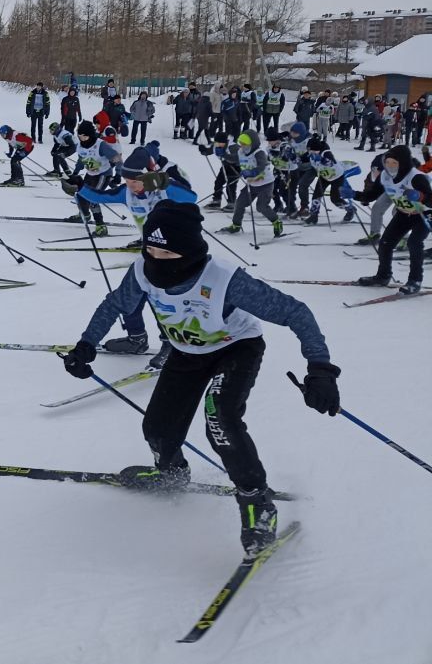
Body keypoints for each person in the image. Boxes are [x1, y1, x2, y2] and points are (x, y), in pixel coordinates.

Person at [61, 200, 340, 557]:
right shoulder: (143, 270)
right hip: (187, 353)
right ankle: (171, 473)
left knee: (219, 420)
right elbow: (115, 304)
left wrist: (320, 368)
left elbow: (295, 313)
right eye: (149, 248)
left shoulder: (225, 279)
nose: (155, 258)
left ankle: (257, 502)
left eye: (165, 252)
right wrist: (86, 345)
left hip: (235, 350)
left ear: (188, 251)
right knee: (158, 429)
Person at [75, 144, 197, 363]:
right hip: (148, 254)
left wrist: (163, 181)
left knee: (163, 301)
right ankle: (137, 338)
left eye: (134, 181)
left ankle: (172, 345)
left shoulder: (165, 189)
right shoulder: (127, 193)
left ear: (148, 177)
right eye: (127, 181)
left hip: (173, 258)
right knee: (127, 297)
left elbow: (191, 196)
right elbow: (102, 197)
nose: (129, 186)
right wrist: (80, 187)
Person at [353, 144, 430, 295]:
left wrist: (420, 196)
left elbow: (430, 198)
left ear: (403, 163)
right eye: (387, 162)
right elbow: (372, 195)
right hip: (404, 213)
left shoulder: (416, 177)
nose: (390, 166)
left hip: (424, 214)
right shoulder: (385, 176)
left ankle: (415, 280)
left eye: (394, 163)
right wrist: (354, 195)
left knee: (414, 243)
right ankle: (383, 276)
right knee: (386, 243)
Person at [217, 131, 284, 238]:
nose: (243, 146)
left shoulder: (259, 152)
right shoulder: (241, 152)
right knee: (240, 203)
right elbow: (234, 159)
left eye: (245, 144)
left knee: (261, 206)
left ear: (252, 143)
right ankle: (236, 225)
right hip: (252, 184)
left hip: (265, 184)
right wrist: (223, 155)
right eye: (241, 144)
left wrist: (252, 172)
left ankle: (276, 222)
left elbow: (261, 166)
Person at [61, 120, 119, 237]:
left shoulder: (100, 145)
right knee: (80, 194)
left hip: (103, 174)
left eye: (84, 136)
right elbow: (82, 160)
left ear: (90, 135)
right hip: (90, 174)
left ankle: (101, 226)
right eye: (80, 136)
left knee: (93, 198)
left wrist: (118, 174)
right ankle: (85, 215)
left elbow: (116, 157)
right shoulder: (80, 146)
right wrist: (75, 172)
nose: (81, 138)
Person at [301, 138, 361, 225]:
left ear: (318, 149)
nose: (311, 153)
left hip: (337, 177)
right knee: (316, 196)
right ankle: (314, 216)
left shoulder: (326, 153)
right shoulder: (310, 154)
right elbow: (299, 160)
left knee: (335, 199)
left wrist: (321, 159)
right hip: (324, 177)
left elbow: (331, 162)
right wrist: (291, 157)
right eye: (310, 150)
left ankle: (350, 209)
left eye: (314, 151)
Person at [200, 132, 240, 211]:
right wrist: (204, 150)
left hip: (236, 167)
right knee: (218, 182)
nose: (217, 144)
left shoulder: (233, 147)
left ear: (224, 142)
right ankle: (216, 201)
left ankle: (231, 203)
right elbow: (210, 150)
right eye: (216, 142)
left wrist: (224, 155)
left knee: (231, 185)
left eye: (219, 143)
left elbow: (237, 158)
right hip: (225, 166)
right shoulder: (216, 145)